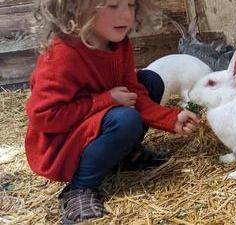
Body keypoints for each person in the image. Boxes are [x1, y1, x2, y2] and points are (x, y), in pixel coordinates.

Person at [25, 0, 200, 223]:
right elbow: (44, 117)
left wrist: (170, 118)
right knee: (126, 119)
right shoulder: (63, 53)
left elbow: (134, 93)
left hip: (99, 123)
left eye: (130, 5)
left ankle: (126, 155)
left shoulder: (119, 44)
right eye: (112, 5)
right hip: (62, 143)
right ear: (78, 8)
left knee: (150, 81)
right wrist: (105, 100)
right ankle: (79, 189)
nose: (126, 15)